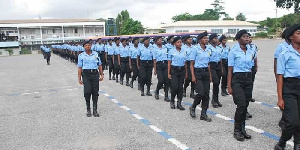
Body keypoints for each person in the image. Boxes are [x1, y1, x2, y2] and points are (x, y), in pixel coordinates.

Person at [274, 24, 300, 150]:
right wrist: (280, 98)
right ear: (291, 37)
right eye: (298, 33)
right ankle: (282, 142)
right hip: (289, 88)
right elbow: (280, 77)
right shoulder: (284, 54)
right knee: (292, 122)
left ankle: (297, 143)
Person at [228, 30, 253, 141]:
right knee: (241, 105)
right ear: (238, 39)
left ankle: (243, 129)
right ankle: (236, 130)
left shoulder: (250, 51)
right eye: (244, 37)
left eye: (248, 36)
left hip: (248, 79)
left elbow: (252, 66)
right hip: (237, 79)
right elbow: (230, 70)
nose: (247, 38)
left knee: (246, 105)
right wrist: (229, 86)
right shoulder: (233, 51)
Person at [189, 32, 212, 122]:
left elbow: (208, 64)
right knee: (201, 92)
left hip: (206, 71)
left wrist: (210, 75)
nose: (206, 40)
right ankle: (193, 107)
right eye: (204, 38)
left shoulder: (208, 49)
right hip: (198, 72)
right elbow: (191, 64)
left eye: (207, 38)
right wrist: (193, 76)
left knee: (206, 94)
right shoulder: (195, 49)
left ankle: (203, 114)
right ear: (199, 40)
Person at [77, 41, 104, 117]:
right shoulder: (81, 55)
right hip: (86, 75)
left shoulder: (96, 54)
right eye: (86, 45)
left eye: (89, 45)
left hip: (95, 74)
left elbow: (100, 65)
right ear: (84, 47)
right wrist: (79, 78)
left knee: (95, 92)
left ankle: (95, 110)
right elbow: (80, 67)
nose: (88, 46)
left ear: (91, 46)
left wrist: (101, 74)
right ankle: (88, 109)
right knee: (87, 92)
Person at [168, 36, 188, 110]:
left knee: (180, 88)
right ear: (174, 43)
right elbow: (169, 63)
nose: (180, 43)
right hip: (174, 70)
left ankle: (179, 103)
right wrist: (169, 73)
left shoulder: (184, 51)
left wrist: (186, 73)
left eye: (180, 42)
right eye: (178, 42)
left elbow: (185, 63)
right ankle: (172, 101)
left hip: (182, 70)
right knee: (175, 87)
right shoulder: (171, 51)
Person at [153, 36, 171, 102]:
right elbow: (154, 60)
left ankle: (166, 96)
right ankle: (157, 91)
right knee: (161, 80)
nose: (160, 41)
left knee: (167, 81)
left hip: (165, 64)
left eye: (161, 40)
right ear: (156, 41)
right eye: (159, 40)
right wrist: (155, 70)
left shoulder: (165, 48)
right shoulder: (155, 49)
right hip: (159, 65)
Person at [208, 33, 223, 108]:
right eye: (215, 38)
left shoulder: (219, 48)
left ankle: (216, 99)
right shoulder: (208, 48)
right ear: (211, 40)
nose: (217, 40)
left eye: (217, 38)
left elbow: (220, 59)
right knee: (215, 82)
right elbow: (208, 60)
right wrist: (210, 73)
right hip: (212, 66)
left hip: (218, 66)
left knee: (217, 84)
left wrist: (221, 68)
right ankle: (213, 100)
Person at [248, 34, 258, 103]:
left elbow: (255, 57)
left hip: (252, 66)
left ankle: (250, 96)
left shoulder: (254, 46)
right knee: (247, 82)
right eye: (249, 37)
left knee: (252, 82)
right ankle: (247, 96)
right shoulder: (243, 47)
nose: (250, 39)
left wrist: (256, 65)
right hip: (247, 67)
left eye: (251, 37)